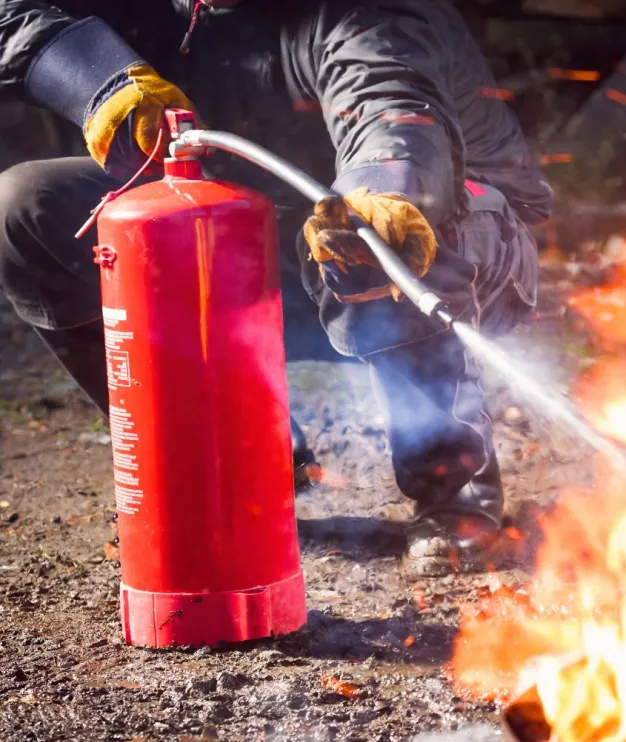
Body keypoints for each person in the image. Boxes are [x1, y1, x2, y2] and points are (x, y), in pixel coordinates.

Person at [0, 0, 552, 577]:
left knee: (368, 226)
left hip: (461, 235)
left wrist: (384, 189)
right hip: (252, 233)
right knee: (28, 206)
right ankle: (237, 467)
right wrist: (91, 75)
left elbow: (390, 103)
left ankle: (453, 494)